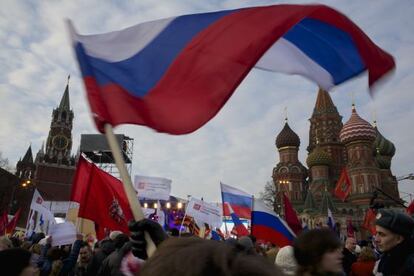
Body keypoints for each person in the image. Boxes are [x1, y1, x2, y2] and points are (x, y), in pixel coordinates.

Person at [373, 209, 414, 275]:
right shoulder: (385, 259)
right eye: (377, 233)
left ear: (399, 239)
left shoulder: (410, 265)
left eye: (382, 234)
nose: (376, 239)